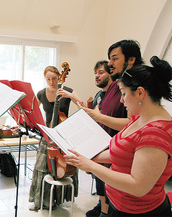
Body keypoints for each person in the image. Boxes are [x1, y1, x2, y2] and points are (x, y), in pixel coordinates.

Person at [65, 56, 172, 217]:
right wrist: (88, 157)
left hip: (139, 212)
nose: (121, 100)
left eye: (123, 93)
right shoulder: (139, 118)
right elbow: (120, 153)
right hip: (118, 204)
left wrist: (91, 166)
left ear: (140, 93)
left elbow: (138, 186)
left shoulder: (156, 133)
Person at [81, 39, 143, 217]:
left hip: (122, 160)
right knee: (106, 196)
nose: (110, 63)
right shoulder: (116, 85)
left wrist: (99, 116)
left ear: (130, 60)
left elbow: (132, 123)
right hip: (108, 149)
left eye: (115, 58)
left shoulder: (136, 89)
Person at [28, 65, 79, 211]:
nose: (52, 82)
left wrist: (70, 96)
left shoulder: (67, 90)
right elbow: (33, 112)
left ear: (59, 77)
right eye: (48, 79)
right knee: (42, 167)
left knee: (63, 166)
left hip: (65, 135)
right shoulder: (41, 94)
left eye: (54, 79)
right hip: (48, 135)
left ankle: (60, 199)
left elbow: (82, 105)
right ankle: (39, 201)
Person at [86, 60, 113, 217]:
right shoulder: (98, 95)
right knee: (98, 178)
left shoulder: (114, 95)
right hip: (98, 144)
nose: (97, 76)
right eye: (95, 73)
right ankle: (101, 204)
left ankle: (105, 210)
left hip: (110, 144)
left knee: (106, 180)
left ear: (110, 74)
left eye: (101, 72)